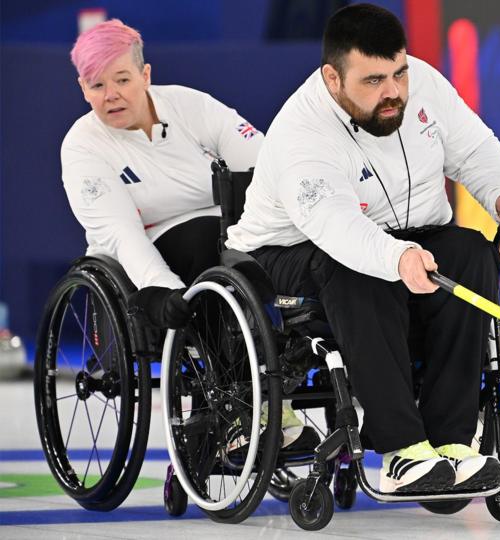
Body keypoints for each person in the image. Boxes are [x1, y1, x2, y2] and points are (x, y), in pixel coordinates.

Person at [226, 4, 500, 493]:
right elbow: (336, 226)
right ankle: (401, 451)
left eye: (399, 72)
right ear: (333, 77)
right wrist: (395, 257)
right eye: (373, 81)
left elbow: (474, 148)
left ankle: (453, 442)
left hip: (406, 236)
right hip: (289, 254)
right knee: (358, 271)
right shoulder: (302, 132)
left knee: (473, 253)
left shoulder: (425, 87)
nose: (392, 91)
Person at [61, 20, 312, 449]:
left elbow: (267, 166)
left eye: (122, 79)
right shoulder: (83, 147)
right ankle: (248, 408)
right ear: (83, 89)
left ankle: (296, 369)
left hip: (229, 238)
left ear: (145, 75)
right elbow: (124, 236)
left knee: (279, 247)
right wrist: (162, 289)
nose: (111, 95)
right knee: (210, 244)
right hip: (152, 259)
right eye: (96, 85)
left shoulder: (189, 106)